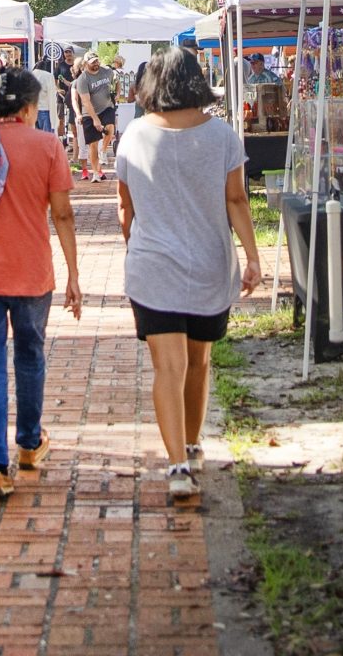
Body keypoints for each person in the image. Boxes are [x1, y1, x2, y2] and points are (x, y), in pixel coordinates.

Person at [116, 45, 261, 507]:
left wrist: (135, 246)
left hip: (153, 266)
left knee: (168, 368)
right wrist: (253, 256)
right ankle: (191, 449)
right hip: (209, 265)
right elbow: (236, 201)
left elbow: (125, 208)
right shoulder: (222, 136)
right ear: (197, 80)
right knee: (198, 362)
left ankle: (178, 463)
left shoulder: (134, 136)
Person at [0, 66, 82, 500]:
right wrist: (74, 272)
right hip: (30, 274)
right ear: (27, 107)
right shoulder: (47, 146)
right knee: (29, 355)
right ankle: (27, 445)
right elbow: (62, 214)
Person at [75, 56, 118, 180]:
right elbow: (86, 101)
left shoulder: (107, 71)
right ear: (86, 63)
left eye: (97, 61)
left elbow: (117, 81)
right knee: (93, 145)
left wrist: (118, 93)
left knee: (110, 128)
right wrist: (95, 119)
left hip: (106, 107)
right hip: (89, 113)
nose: (96, 63)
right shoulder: (83, 79)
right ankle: (95, 172)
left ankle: (103, 150)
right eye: (93, 62)